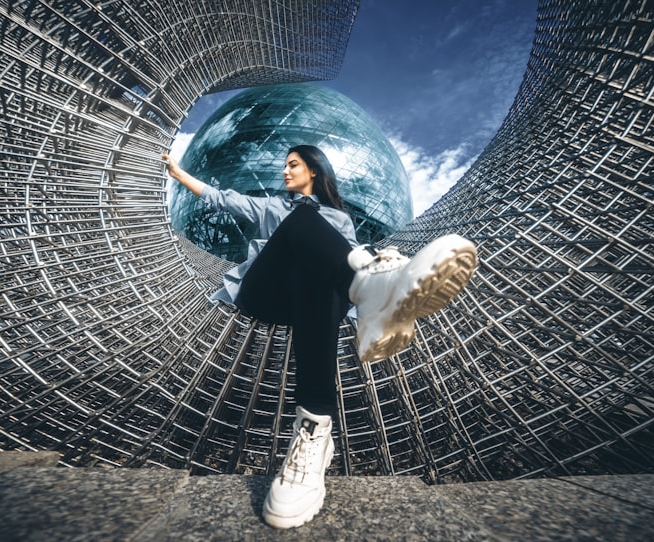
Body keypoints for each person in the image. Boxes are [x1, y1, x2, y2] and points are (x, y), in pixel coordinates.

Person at [162, 146, 477, 529]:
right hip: (262, 293)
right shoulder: (274, 208)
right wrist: (178, 174)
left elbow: (341, 254)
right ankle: (370, 295)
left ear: (314, 170)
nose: (284, 171)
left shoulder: (339, 219)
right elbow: (222, 199)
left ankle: (314, 429)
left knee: (326, 269)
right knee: (300, 221)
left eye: (292, 164)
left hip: (313, 297)